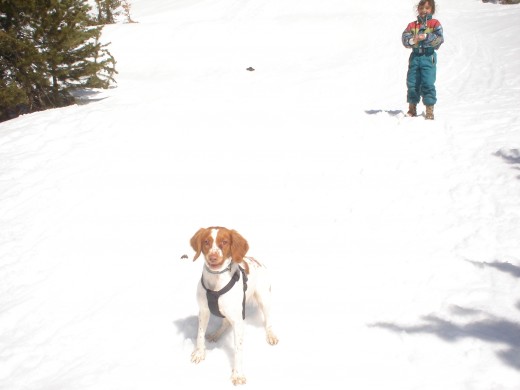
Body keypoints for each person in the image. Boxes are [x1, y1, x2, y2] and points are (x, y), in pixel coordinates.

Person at [402, 0, 444, 120]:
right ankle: (412, 108)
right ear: (418, 9)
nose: (424, 11)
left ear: (432, 10)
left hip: (428, 57)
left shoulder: (435, 23)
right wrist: (411, 40)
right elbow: (404, 38)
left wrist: (426, 37)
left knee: (428, 83)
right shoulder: (412, 25)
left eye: (427, 8)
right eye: (421, 8)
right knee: (412, 82)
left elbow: (440, 39)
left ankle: (429, 109)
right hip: (415, 57)